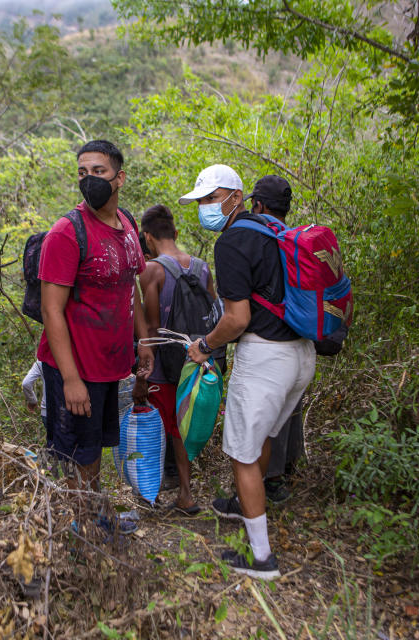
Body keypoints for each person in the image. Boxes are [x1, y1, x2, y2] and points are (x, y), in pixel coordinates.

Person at [180, 164, 315, 579]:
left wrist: (203, 345)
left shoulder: (234, 241)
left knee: (241, 453)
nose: (205, 207)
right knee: (263, 439)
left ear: (235, 197)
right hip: (301, 355)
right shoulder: (272, 230)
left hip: (265, 358)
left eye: (210, 198)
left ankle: (262, 559)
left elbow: (237, 319)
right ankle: (245, 505)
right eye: (201, 201)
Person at [37, 139, 154, 534]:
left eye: (98, 172)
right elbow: (52, 309)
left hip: (110, 364)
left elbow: (130, 287)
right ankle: (82, 532)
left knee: (94, 449)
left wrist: (145, 342)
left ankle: (96, 518)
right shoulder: (67, 233)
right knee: (75, 452)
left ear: (119, 178)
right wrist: (71, 378)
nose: (89, 180)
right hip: (76, 366)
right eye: (82, 173)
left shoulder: (128, 224)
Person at [133, 204, 218, 515]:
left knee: (156, 427)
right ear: (176, 233)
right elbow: (213, 316)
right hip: (195, 360)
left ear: (147, 237)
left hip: (162, 364)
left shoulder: (152, 270)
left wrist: (142, 373)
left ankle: (150, 497)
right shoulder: (203, 267)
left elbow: (152, 326)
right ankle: (186, 494)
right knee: (182, 428)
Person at [247, 175, 305, 503]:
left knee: (264, 419)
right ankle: (282, 474)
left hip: (270, 343)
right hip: (301, 340)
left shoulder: (258, 240)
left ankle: (263, 484)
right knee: (287, 410)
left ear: (259, 205)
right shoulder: (295, 241)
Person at [21, 359, 49, 443]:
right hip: (69, 410)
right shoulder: (71, 356)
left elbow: (26, 383)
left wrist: (32, 401)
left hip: (47, 412)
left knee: (54, 445)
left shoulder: (42, 360)